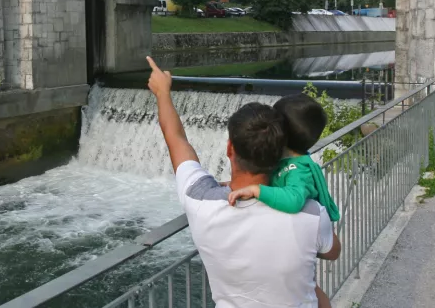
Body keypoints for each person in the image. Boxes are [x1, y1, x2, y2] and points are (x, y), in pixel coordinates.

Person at [146, 57, 341, 308]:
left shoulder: (199, 199)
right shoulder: (310, 212)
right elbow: (332, 251)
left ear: (230, 148)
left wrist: (162, 93)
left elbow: (176, 139)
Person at [227, 94, 341, 308]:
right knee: (309, 289)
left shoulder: (299, 170)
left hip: (302, 238)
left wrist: (258, 190)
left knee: (311, 291)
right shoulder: (291, 161)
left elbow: (294, 201)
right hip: (293, 241)